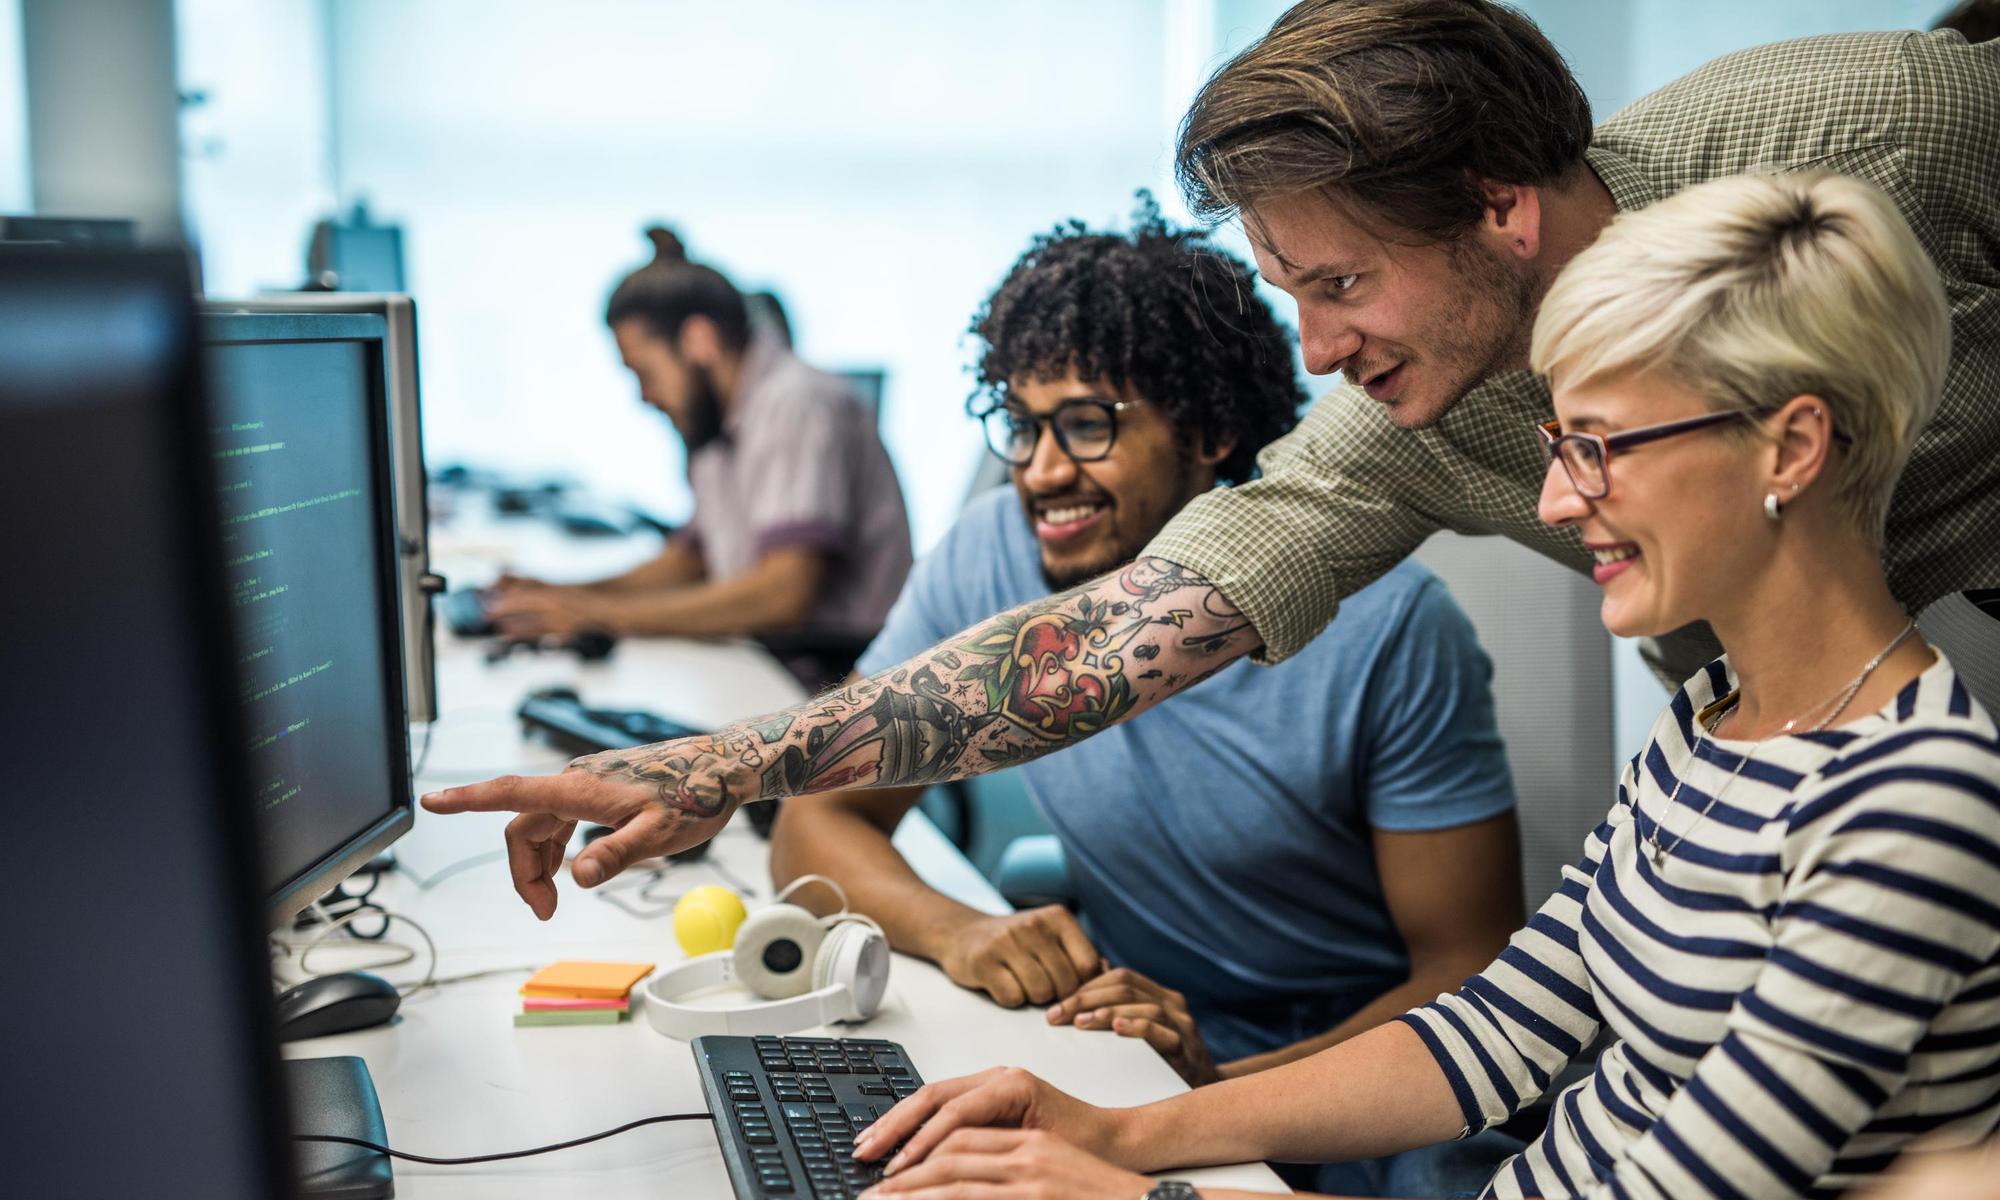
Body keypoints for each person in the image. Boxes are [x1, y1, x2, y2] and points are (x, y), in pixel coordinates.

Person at [419, 0, 1999, 890]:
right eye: (1286, 290)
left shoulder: (1873, 131)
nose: (1314, 347)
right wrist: (726, 765)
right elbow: (1101, 645)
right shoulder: (1400, 431)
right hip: (1800, 726)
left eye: (1341, 284)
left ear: (1502, 209)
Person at [841, 172, 2000, 1200]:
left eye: (1596, 443)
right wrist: (1116, 1128)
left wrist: (1133, 1195)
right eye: (1556, 442)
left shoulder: (1910, 804)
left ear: (1788, 450)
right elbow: (1497, 1026)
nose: (1552, 500)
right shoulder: (1708, 722)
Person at [769, 201, 1523, 1195]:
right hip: (1127, 1040)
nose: (1039, 472)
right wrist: (966, 930)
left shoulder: (1388, 626)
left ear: (1210, 432)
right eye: (1022, 427)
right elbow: (814, 821)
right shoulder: (992, 556)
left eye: (1084, 426)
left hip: (1365, 1075)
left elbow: (1468, 978)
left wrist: (1205, 1094)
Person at [486, 227, 912, 689]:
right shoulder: (716, 422)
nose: (645, 396)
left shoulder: (796, 402)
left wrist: (598, 614)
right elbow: (690, 560)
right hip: (771, 662)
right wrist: (566, 593)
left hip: (833, 678)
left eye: (644, 372)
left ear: (698, 340)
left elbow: (783, 594)